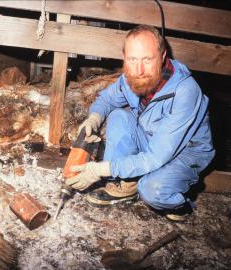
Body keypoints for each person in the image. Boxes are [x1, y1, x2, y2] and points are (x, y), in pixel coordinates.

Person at [65, 25, 215, 221]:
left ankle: (179, 203)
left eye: (148, 59)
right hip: (152, 141)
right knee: (118, 115)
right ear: (124, 58)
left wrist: (100, 169)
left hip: (185, 153)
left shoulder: (185, 91)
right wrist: (94, 117)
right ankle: (124, 185)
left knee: (151, 190)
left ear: (162, 57)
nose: (139, 69)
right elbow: (107, 100)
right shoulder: (131, 78)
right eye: (132, 60)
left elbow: (155, 157)